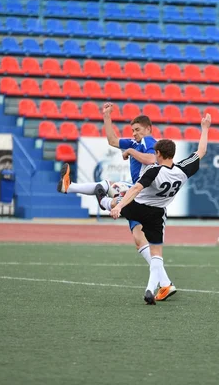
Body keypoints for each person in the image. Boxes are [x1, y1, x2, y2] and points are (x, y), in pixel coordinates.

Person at [95, 114, 211, 305]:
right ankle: (150, 289)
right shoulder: (182, 170)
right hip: (158, 213)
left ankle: (104, 203)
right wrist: (205, 128)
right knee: (157, 253)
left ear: (157, 154)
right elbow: (201, 151)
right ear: (172, 154)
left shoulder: (153, 170)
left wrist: (121, 207)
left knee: (114, 201)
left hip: (140, 207)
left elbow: (135, 189)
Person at [58, 102, 157, 267]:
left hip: (144, 192)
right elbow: (112, 140)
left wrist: (131, 152)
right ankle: (162, 279)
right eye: (133, 130)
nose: (134, 134)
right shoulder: (135, 144)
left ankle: (104, 201)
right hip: (137, 189)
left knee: (109, 190)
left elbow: (151, 159)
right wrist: (106, 116)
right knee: (139, 240)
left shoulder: (148, 141)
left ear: (148, 129)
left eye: (137, 130)